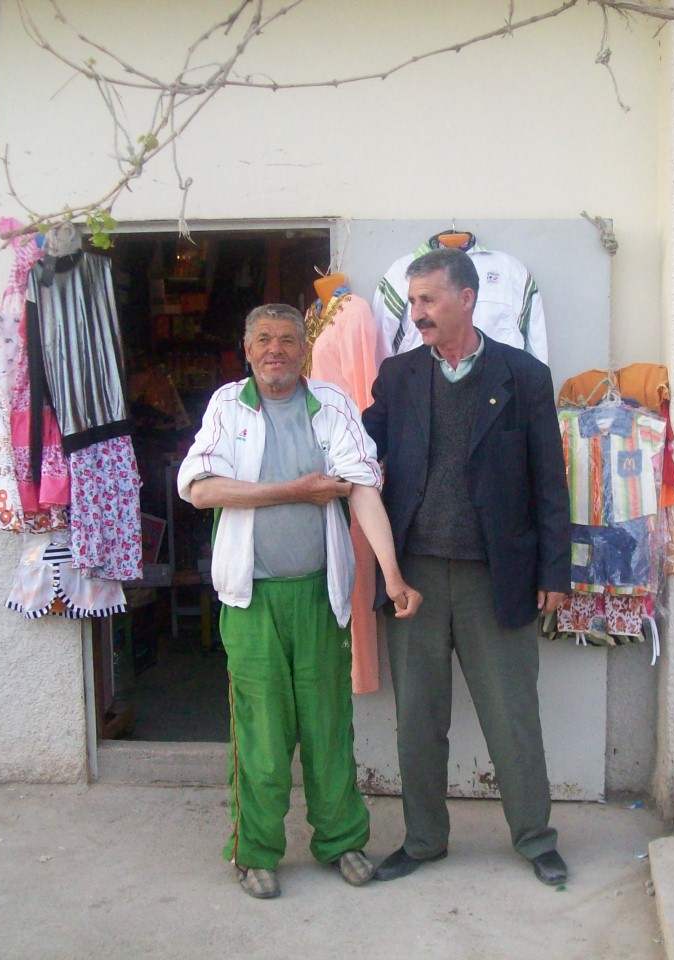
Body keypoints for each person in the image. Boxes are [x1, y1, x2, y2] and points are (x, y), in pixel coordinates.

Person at [177, 303, 421, 900]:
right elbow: (201, 489)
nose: (275, 350)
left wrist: (391, 577)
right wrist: (296, 491)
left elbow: (362, 489)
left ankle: (341, 840)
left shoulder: (331, 404)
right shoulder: (227, 407)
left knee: (328, 727)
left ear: (303, 350)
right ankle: (255, 851)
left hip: (320, 596)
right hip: (251, 602)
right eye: (263, 339)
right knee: (261, 734)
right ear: (247, 348)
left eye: (287, 339)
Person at [361, 247, 572, 886]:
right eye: (414, 300)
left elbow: (549, 486)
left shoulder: (524, 377)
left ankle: (536, 838)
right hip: (414, 579)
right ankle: (424, 840)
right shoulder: (397, 378)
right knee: (418, 720)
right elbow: (356, 452)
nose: (417, 312)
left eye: (429, 300)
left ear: (467, 299)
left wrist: (555, 574)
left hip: (495, 577)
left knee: (512, 716)